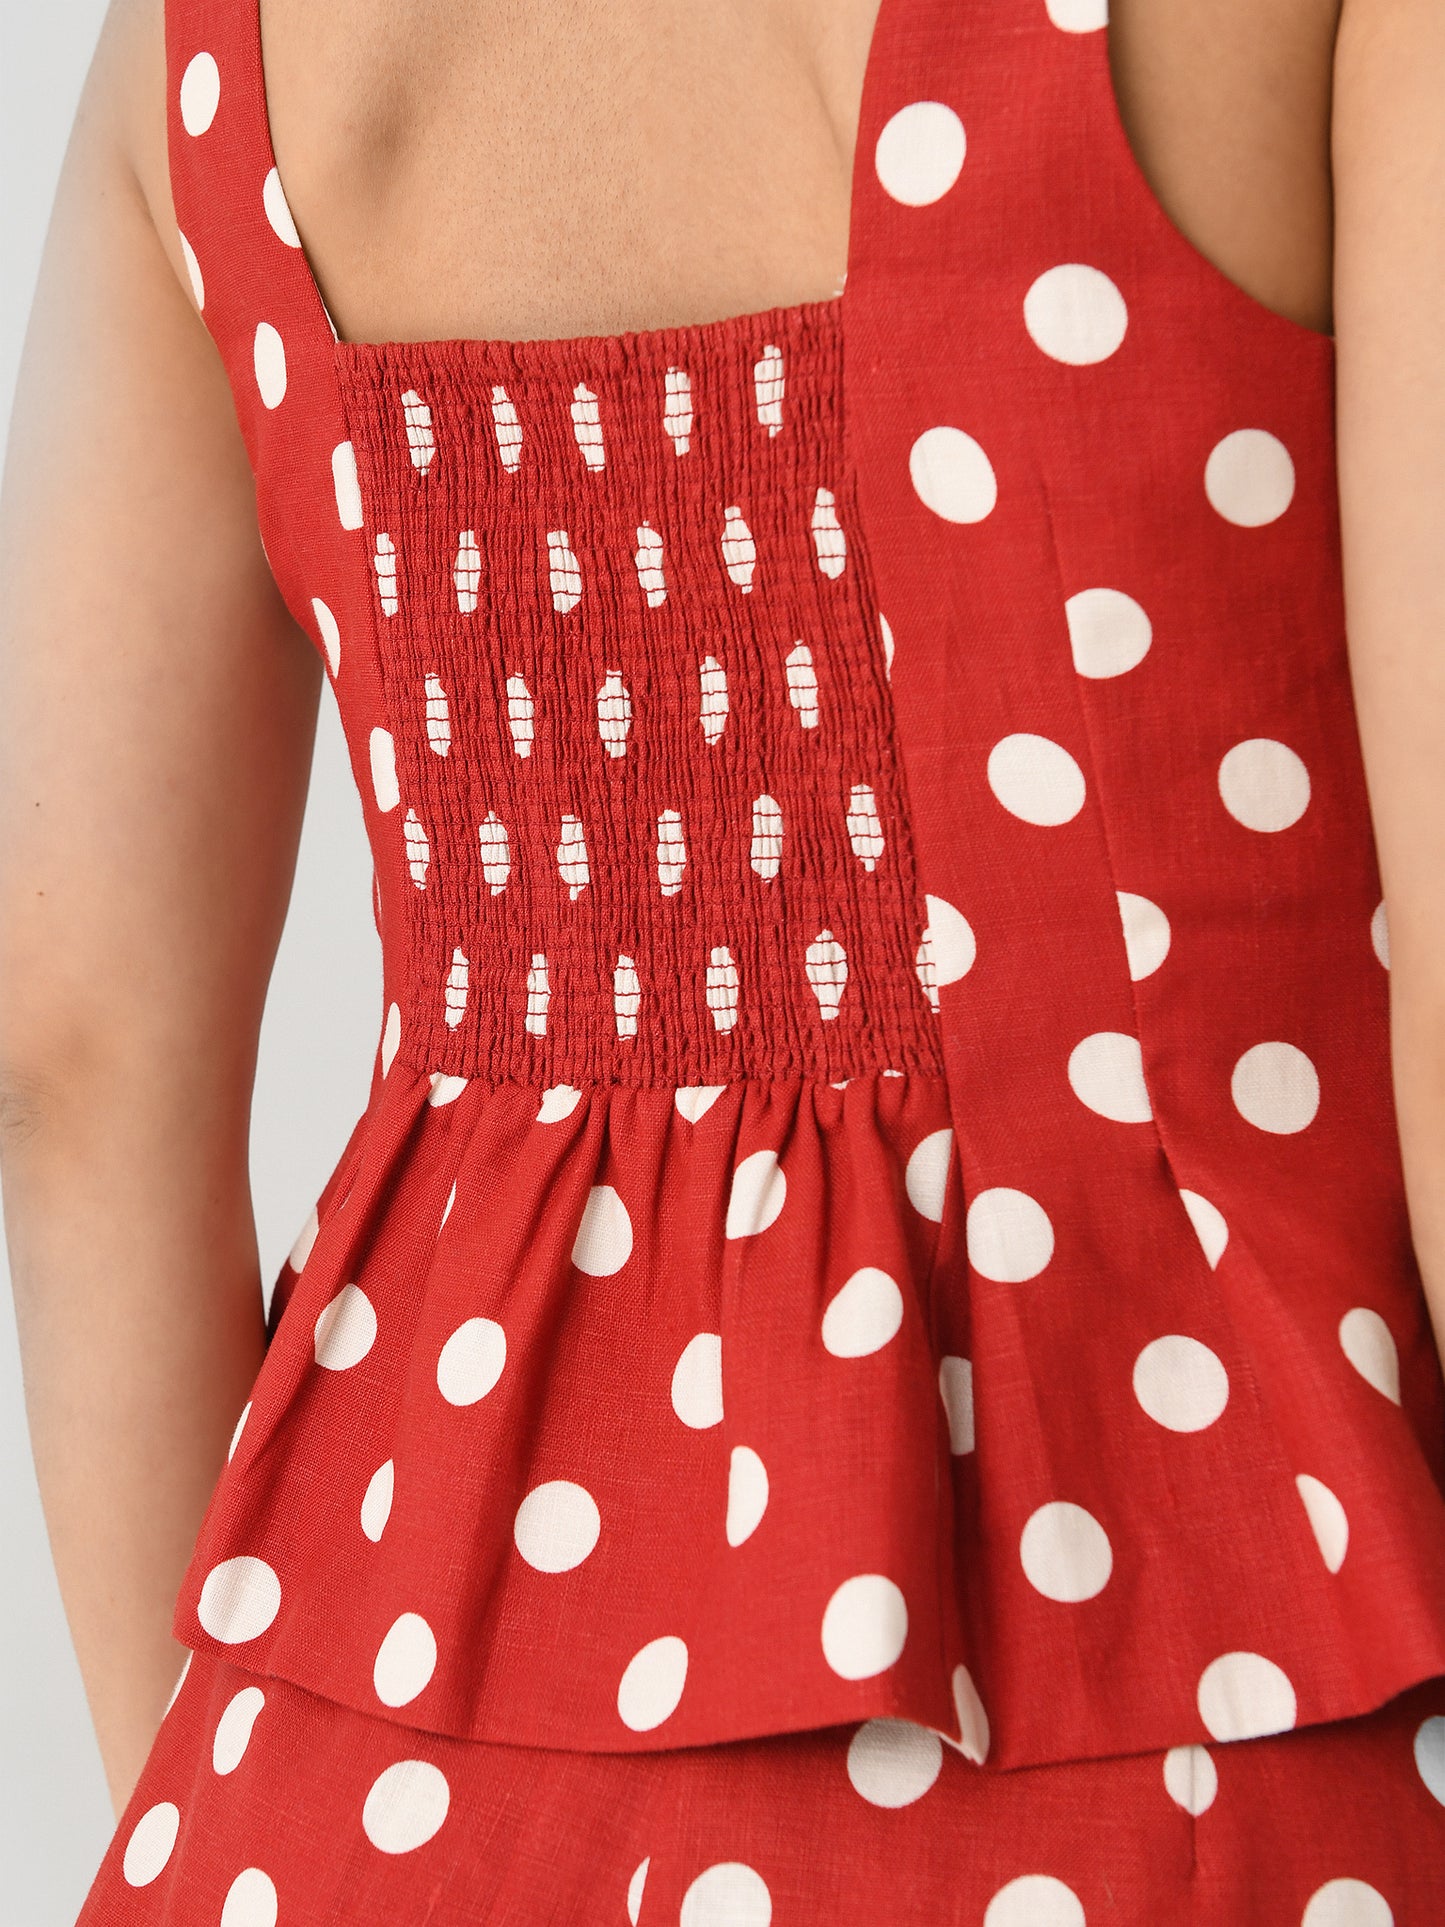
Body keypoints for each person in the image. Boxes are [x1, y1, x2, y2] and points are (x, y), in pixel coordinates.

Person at [3, 0, 1444, 1918]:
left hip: (342, 1786)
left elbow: (70, 1054)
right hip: (1221, 1724)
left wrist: (231, 1797)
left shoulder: (202, 47)